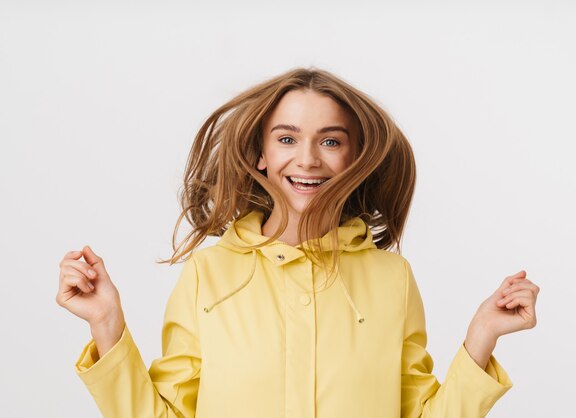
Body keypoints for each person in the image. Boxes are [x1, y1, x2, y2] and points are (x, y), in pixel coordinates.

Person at [56, 67, 539, 417]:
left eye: (330, 141)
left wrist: (481, 337)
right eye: (286, 139)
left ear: (354, 156)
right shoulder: (209, 275)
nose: (307, 159)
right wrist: (106, 322)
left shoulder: (391, 278)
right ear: (261, 153)